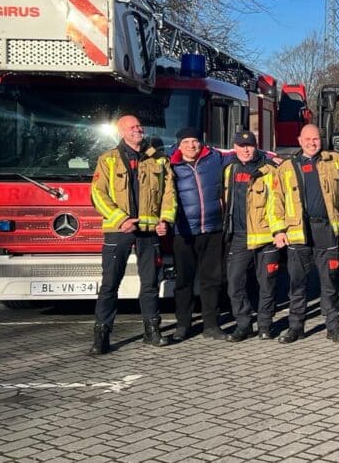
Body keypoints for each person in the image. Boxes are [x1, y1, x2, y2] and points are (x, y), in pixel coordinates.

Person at [87, 114, 176, 354]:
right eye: (132, 127)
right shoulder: (108, 160)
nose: (138, 129)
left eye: (139, 126)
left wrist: (165, 220)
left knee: (150, 284)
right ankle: (101, 337)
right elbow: (98, 195)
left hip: (149, 233)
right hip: (119, 231)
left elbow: (169, 194)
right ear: (122, 132)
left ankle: (152, 331)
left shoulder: (158, 160)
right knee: (109, 285)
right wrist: (121, 219)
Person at [275, 124, 339, 343]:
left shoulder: (335, 161)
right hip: (298, 231)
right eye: (307, 139)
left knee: (330, 282)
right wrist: (279, 230)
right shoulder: (286, 167)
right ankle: (295, 327)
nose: (312, 143)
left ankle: (334, 327)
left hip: (326, 229)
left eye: (315, 139)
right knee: (297, 283)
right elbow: (276, 201)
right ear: (299, 141)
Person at [169, 127, 233, 341]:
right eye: (186, 142)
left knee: (212, 280)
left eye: (195, 141)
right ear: (179, 145)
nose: (191, 146)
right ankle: (183, 326)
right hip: (184, 232)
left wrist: (272, 157)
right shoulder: (169, 164)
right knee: (184, 281)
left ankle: (211, 325)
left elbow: (242, 151)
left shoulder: (214, 158)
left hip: (213, 230)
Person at [222, 131, 284, 342]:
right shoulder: (230, 169)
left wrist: (278, 231)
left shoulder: (269, 170)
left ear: (256, 147)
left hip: (265, 236)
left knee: (266, 283)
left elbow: (276, 203)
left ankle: (265, 325)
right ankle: (244, 324)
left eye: (249, 146)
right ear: (235, 147)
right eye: (241, 145)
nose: (245, 149)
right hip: (239, 236)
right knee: (234, 282)